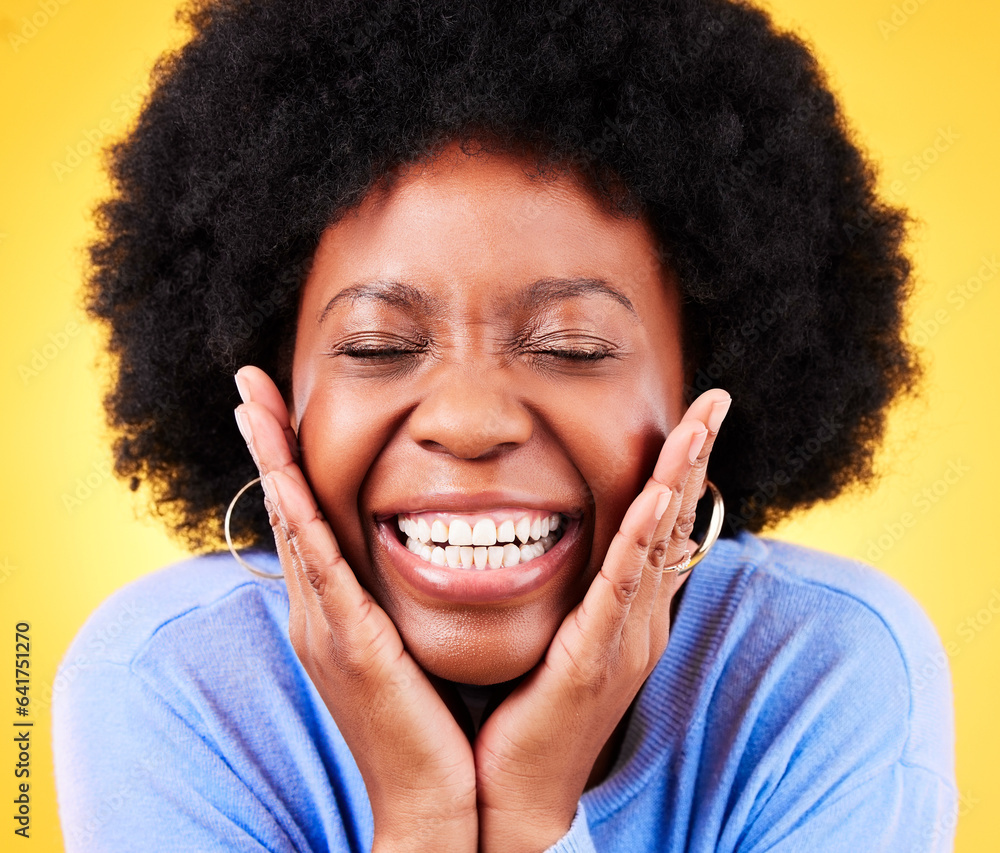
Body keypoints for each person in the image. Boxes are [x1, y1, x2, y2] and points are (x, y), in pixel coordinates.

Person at [53, 0, 956, 850]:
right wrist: (420, 817)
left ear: (705, 383)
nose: (470, 421)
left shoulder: (823, 674)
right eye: (375, 345)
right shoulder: (170, 683)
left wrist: (530, 812)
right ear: (276, 389)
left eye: (570, 346)